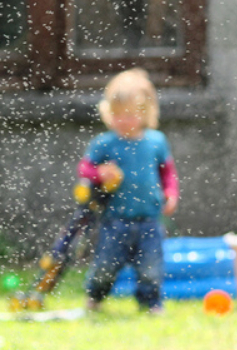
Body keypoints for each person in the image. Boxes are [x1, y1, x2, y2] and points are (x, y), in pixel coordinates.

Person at [78, 68, 179, 314]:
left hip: (149, 219)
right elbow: (85, 168)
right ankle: (95, 297)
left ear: (146, 114)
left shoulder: (156, 141)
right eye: (118, 115)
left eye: (131, 115)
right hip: (116, 219)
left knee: (151, 266)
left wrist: (171, 193)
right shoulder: (105, 143)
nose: (124, 121)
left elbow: (167, 171)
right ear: (109, 113)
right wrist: (99, 173)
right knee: (105, 264)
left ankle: (151, 302)